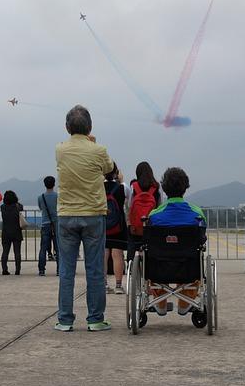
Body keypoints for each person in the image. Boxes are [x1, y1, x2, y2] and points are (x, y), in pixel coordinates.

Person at [54, 105, 114, 332]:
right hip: (93, 215)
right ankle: (96, 319)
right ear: (90, 127)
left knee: (67, 269)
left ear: (67, 127)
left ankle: (65, 320)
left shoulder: (60, 149)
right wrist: (92, 143)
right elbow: (108, 168)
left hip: (67, 215)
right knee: (95, 269)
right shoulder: (98, 149)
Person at [148, 167, 207, 315]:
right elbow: (201, 238)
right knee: (194, 256)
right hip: (188, 268)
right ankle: (185, 301)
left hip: (159, 269)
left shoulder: (154, 215)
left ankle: (160, 303)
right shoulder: (197, 213)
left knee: (151, 258)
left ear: (165, 188)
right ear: (185, 187)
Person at [127, 162, 163, 262]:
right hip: (150, 227)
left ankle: (130, 263)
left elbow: (129, 205)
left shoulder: (134, 186)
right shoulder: (156, 188)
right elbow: (160, 207)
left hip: (135, 228)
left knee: (132, 245)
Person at [104, 163, 129, 294]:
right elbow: (128, 204)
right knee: (117, 255)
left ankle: (104, 285)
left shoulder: (98, 187)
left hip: (103, 224)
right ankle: (118, 286)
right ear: (116, 173)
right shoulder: (122, 188)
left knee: (104, 254)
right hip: (118, 226)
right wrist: (121, 181)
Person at [38, 176, 59, 276]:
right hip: (56, 224)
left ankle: (41, 270)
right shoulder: (57, 196)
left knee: (43, 248)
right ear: (54, 184)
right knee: (58, 248)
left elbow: (41, 208)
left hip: (45, 224)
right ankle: (59, 270)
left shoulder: (41, 197)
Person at [1, 190, 24, 275]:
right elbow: (21, 206)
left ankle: (4, 269)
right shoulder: (18, 206)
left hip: (6, 232)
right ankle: (17, 270)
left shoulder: (2, 207)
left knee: (5, 251)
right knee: (17, 252)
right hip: (17, 231)